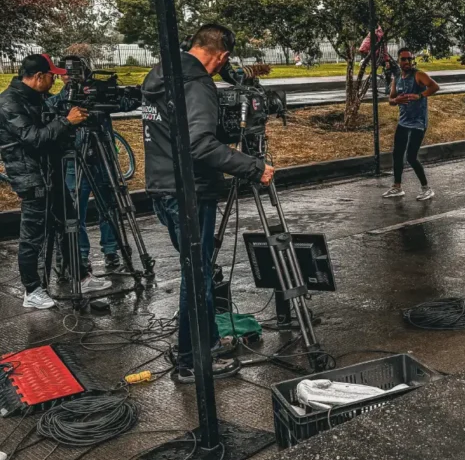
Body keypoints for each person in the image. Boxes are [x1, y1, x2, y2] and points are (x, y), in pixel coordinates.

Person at [142, 24, 275, 383]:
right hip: (189, 191)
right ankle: (191, 359)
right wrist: (252, 167)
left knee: (197, 269)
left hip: (162, 186)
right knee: (197, 274)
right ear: (223, 55)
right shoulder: (198, 84)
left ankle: (206, 341)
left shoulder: (162, 75)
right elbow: (199, 144)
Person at [0, 54, 110, 309]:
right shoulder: (9, 103)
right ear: (38, 76)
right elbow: (34, 138)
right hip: (32, 177)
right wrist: (66, 121)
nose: (53, 81)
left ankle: (81, 276)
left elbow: (53, 113)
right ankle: (32, 290)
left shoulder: (33, 97)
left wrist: (71, 92)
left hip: (51, 172)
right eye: (52, 76)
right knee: (33, 235)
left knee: (67, 224)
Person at [47, 57, 138, 274]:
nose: (68, 78)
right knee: (74, 211)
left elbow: (126, 102)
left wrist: (129, 92)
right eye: (65, 74)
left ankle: (112, 250)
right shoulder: (61, 100)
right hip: (74, 160)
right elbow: (49, 112)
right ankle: (80, 254)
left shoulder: (96, 94)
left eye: (73, 74)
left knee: (110, 206)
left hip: (102, 158)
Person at [382, 49, 440, 201]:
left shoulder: (418, 75)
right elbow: (390, 99)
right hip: (403, 121)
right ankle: (397, 187)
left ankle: (426, 189)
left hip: (418, 123)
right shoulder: (397, 79)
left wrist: (420, 95)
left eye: (409, 59)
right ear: (399, 60)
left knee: (411, 157)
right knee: (397, 154)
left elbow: (434, 87)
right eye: (403, 59)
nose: (407, 62)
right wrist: (396, 101)